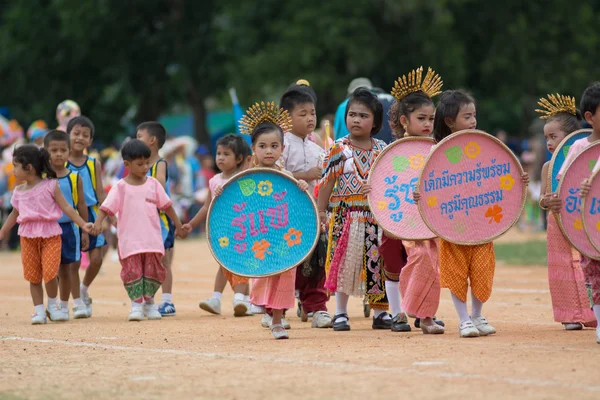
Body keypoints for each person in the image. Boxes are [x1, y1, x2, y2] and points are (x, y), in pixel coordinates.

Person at [415, 89, 529, 338]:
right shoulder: (437, 152)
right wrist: (419, 195)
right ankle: (464, 319)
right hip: (451, 226)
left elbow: (498, 175)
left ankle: (477, 315)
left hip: (482, 224)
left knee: (482, 269)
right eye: (467, 117)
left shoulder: (484, 147)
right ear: (449, 121)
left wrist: (517, 178)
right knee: (456, 272)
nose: (473, 121)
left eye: (474, 115)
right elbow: (428, 183)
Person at [318, 88, 390, 331]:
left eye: (363, 115)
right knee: (343, 263)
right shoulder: (339, 148)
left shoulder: (382, 149)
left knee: (377, 263)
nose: (356, 120)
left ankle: (380, 312)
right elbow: (326, 183)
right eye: (352, 114)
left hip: (374, 217)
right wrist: (320, 212)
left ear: (375, 121)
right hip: (344, 215)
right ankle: (340, 313)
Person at [90, 139, 185, 321]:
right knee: (132, 272)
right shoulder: (120, 187)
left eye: (147, 163)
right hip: (130, 240)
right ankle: (136, 305)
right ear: (127, 164)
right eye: (140, 164)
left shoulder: (154, 184)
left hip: (152, 240)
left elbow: (167, 206)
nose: (145, 167)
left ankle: (150, 303)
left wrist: (179, 225)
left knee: (153, 271)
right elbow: (106, 207)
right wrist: (98, 223)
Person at [239, 102, 309, 339]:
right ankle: (267, 311)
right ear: (253, 149)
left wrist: (301, 187)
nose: (269, 151)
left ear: (282, 148)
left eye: (274, 146)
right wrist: (222, 194)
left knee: (285, 274)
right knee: (265, 274)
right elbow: (236, 205)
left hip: (284, 238)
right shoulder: (246, 179)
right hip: (260, 238)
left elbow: (299, 205)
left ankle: (278, 320)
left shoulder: (287, 177)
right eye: (263, 146)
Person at [0, 145, 93, 324]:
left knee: (50, 273)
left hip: (50, 235)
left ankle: (53, 305)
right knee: (33, 275)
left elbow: (67, 207)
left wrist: (83, 224)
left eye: (15, 166)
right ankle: (39, 312)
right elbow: (14, 213)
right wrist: (3, 231)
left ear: (29, 168)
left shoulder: (51, 185)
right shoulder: (18, 191)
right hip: (27, 237)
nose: (13, 170)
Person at [385, 67, 445, 334]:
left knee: (434, 263)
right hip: (403, 220)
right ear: (404, 121)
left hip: (431, 220)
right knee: (419, 256)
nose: (428, 124)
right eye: (421, 118)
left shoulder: (436, 150)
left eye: (431, 118)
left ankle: (425, 314)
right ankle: (415, 311)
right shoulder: (392, 153)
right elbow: (383, 185)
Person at [535, 94, 596, 330]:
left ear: (570, 138)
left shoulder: (586, 160)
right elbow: (542, 199)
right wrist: (547, 201)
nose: (549, 142)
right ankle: (569, 314)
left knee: (585, 264)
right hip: (557, 223)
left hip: (583, 222)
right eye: (546, 138)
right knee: (561, 267)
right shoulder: (548, 167)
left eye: (554, 136)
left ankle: (591, 312)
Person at [183, 134, 254, 317]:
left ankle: (240, 298)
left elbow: (251, 200)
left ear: (238, 159)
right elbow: (207, 207)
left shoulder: (244, 179)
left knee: (238, 263)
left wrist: (233, 187)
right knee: (224, 264)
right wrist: (191, 225)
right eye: (218, 153)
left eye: (226, 154)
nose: (220, 157)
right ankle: (218, 299)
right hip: (222, 232)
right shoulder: (214, 181)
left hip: (243, 231)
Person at [280, 86, 333, 328]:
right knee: (287, 259)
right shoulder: (280, 147)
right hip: (285, 214)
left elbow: (326, 180)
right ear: (286, 117)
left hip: (313, 213)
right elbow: (275, 176)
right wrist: (305, 173)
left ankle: (317, 307)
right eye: (302, 113)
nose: (310, 118)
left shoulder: (318, 149)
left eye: (312, 112)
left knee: (318, 257)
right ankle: (275, 309)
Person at [562, 82, 600, 344]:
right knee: (594, 274)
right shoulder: (577, 150)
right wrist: (553, 202)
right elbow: (565, 185)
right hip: (588, 228)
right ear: (589, 117)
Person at [44, 130, 91, 320]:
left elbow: (80, 204)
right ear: (45, 152)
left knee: (66, 269)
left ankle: (64, 306)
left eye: (63, 150)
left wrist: (85, 231)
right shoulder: (42, 178)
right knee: (50, 270)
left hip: (69, 228)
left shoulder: (74, 177)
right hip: (48, 229)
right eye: (53, 150)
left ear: (69, 152)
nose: (58, 154)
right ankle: (51, 304)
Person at [136, 122, 178, 316]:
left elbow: (159, 185)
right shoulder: (138, 166)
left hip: (160, 220)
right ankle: (147, 299)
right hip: (143, 219)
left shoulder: (160, 164)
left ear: (152, 140)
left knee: (163, 259)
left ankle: (168, 301)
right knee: (144, 260)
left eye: (139, 136)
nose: (136, 140)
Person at [66, 116, 106, 317]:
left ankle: (83, 288)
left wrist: (104, 217)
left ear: (90, 141)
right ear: (68, 135)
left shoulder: (93, 163)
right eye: (76, 133)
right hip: (69, 215)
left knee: (97, 258)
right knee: (72, 263)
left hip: (91, 214)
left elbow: (99, 192)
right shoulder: (60, 163)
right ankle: (77, 303)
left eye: (85, 135)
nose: (80, 138)